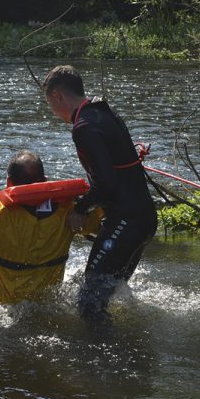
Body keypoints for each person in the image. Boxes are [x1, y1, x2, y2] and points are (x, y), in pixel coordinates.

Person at [42, 65, 157, 322]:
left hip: (126, 221)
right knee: (106, 295)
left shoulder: (83, 127)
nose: (53, 112)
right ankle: (130, 349)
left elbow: (106, 184)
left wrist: (80, 209)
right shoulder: (102, 110)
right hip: (144, 219)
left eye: (50, 104)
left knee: (88, 305)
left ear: (58, 96)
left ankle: (108, 360)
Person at [0, 150, 103, 304]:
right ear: (45, 181)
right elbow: (101, 225)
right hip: (46, 302)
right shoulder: (71, 214)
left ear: (9, 183)